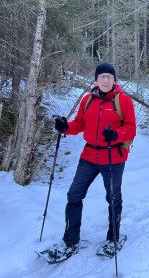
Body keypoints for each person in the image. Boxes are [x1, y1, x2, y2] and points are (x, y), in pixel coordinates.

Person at [54, 62, 136, 257]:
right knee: (74, 195)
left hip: (113, 156)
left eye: (109, 77)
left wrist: (115, 135)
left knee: (113, 198)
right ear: (96, 80)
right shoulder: (88, 100)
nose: (105, 80)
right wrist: (66, 127)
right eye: (102, 77)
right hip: (89, 155)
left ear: (114, 79)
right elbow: (79, 123)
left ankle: (113, 239)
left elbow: (131, 129)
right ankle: (70, 241)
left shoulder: (123, 100)